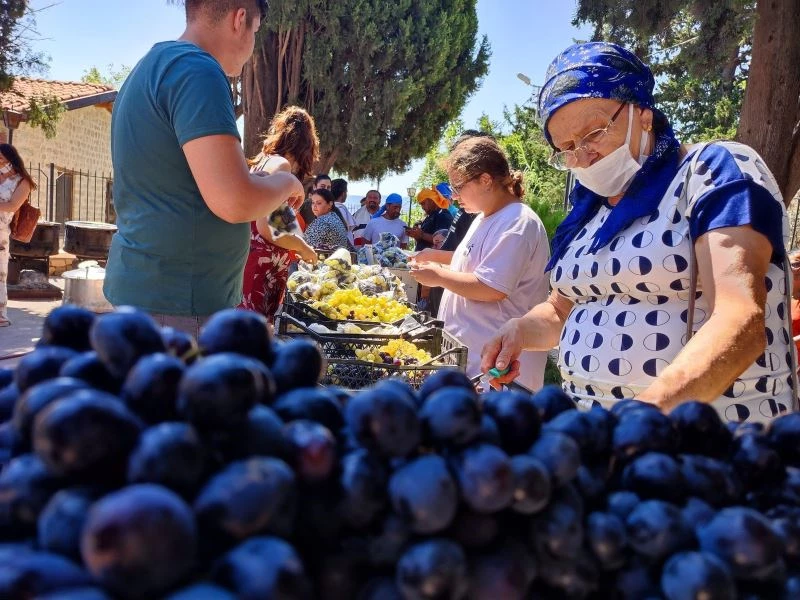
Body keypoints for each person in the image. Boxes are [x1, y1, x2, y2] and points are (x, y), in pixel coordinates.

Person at [482, 41, 796, 424]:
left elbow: (739, 319)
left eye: (594, 133)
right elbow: (560, 310)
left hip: (708, 438)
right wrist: (519, 330)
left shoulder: (714, 170)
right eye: (566, 148)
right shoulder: (589, 211)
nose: (582, 156)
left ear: (643, 115)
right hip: (600, 438)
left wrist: (639, 417)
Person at [103, 0, 305, 337]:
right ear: (240, 19)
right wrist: (287, 183)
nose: (253, 46)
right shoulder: (197, 70)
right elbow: (234, 201)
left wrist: (255, 180)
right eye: (256, 31)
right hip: (179, 305)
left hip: (154, 294)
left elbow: (189, 182)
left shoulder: (151, 66)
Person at [409, 136, 550, 390]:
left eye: (458, 186)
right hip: (473, 367)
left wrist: (438, 277)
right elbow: (472, 263)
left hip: (500, 376)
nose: (454, 196)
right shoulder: (484, 217)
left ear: (485, 180)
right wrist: (436, 261)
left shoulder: (518, 221)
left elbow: (492, 287)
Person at [239, 106, 320, 321]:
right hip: (260, 274)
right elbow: (268, 228)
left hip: (249, 267)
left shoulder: (263, 161)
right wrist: (303, 248)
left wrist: (298, 240)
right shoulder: (282, 166)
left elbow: (278, 221)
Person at [0, 144, 36, 327]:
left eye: (1, 159)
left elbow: (13, 205)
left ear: (10, 160)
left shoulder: (23, 182)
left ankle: (0, 314)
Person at [789, 249, 800, 362]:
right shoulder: (777, 296)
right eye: (796, 264)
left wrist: (788, 344)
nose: (799, 268)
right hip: (782, 362)